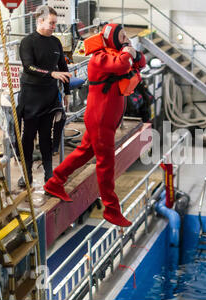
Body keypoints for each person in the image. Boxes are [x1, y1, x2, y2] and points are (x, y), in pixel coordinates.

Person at [44, 24, 146, 227]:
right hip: (100, 120)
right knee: (106, 164)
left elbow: (140, 62)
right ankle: (111, 209)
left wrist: (132, 52)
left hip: (105, 120)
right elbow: (121, 66)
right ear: (112, 39)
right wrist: (128, 52)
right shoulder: (100, 58)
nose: (126, 39)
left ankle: (55, 181)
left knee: (83, 152)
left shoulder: (117, 54)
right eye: (122, 36)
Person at [17, 5, 72, 188]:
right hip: (31, 95)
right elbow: (28, 67)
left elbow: (63, 69)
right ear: (40, 20)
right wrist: (51, 74)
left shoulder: (56, 42)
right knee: (28, 136)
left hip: (49, 96)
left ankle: (49, 175)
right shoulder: (28, 42)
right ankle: (27, 174)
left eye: (55, 23)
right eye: (51, 23)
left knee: (46, 137)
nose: (54, 26)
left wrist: (67, 92)